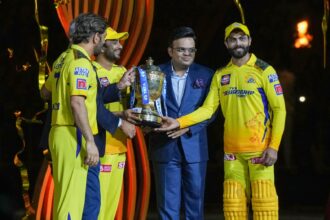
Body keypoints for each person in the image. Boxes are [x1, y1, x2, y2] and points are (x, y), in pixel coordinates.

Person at [156, 22, 286, 219]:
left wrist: (274, 146)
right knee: (233, 209)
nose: (238, 43)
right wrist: (179, 122)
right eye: (232, 39)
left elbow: (280, 110)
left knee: (264, 206)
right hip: (232, 153)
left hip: (260, 151)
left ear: (250, 41)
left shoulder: (264, 71)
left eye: (242, 38)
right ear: (226, 44)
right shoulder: (220, 75)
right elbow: (208, 110)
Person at [148, 26, 214, 219]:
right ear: (170, 51)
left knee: (196, 205)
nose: (187, 54)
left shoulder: (207, 74)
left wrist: (186, 127)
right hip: (164, 145)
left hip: (195, 147)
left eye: (191, 50)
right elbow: (145, 105)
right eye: (181, 49)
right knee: (168, 207)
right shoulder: (154, 73)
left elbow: (211, 112)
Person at [45, 13, 106, 220]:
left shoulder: (62, 59)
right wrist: (90, 141)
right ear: (96, 37)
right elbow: (77, 102)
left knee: (71, 197)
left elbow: (45, 92)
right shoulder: (81, 63)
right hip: (74, 134)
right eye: (104, 38)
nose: (104, 43)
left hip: (59, 131)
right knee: (70, 202)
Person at [92, 26, 136, 220]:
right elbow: (91, 108)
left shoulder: (122, 71)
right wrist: (121, 115)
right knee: (96, 206)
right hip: (99, 147)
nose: (120, 46)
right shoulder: (91, 70)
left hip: (120, 144)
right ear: (101, 46)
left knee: (110, 207)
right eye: (115, 42)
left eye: (120, 42)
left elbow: (131, 104)